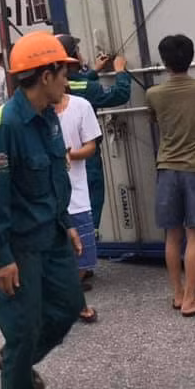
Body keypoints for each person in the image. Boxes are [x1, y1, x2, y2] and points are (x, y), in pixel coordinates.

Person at [0, 32, 86, 389]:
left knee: (68, 307)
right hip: (20, 246)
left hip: (53, 235)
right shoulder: (4, 126)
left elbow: (54, 178)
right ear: (45, 75)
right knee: (23, 327)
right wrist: (1, 256)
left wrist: (67, 223)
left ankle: (14, 363)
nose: (68, 80)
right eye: (64, 72)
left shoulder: (49, 117)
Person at [146, 34, 195, 317]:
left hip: (167, 168)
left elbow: (155, 121)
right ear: (191, 57)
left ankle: (177, 294)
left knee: (172, 235)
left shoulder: (153, 94)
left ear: (164, 62)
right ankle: (191, 299)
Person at [57, 35, 131, 240]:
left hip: (62, 157)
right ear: (72, 58)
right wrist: (120, 71)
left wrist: (94, 71)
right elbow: (119, 94)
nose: (81, 55)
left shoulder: (58, 86)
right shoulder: (85, 89)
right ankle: (86, 254)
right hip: (85, 159)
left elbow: (78, 83)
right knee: (90, 203)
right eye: (78, 51)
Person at [55, 83, 102, 323]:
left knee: (83, 257)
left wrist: (70, 154)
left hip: (77, 193)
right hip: (48, 198)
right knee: (55, 255)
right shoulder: (33, 112)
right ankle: (75, 305)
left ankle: (70, 301)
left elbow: (91, 147)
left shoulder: (81, 106)